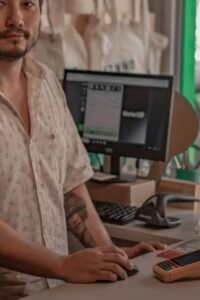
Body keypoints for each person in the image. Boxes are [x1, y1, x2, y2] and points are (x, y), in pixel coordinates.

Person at [0, 1, 165, 299]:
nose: (16, 19)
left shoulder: (47, 82)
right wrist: (63, 265)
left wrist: (111, 255)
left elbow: (70, 185)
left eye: (27, 4)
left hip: (60, 291)